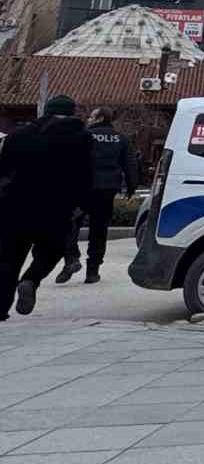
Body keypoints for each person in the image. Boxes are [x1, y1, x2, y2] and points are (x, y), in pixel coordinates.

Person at [0, 95, 91, 320]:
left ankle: (0, 309)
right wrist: (82, 205)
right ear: (71, 113)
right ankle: (31, 280)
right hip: (57, 207)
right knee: (52, 250)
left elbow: (3, 171)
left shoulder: (18, 135)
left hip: (15, 205)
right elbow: (85, 175)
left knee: (9, 257)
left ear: (46, 111)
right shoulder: (81, 137)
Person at [70, 108, 137, 286]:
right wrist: (131, 186)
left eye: (91, 116)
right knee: (99, 230)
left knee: (72, 223)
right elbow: (130, 164)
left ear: (99, 118)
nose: (88, 119)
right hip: (107, 188)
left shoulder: (83, 136)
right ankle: (93, 271)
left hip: (82, 187)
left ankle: (71, 258)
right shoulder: (121, 138)